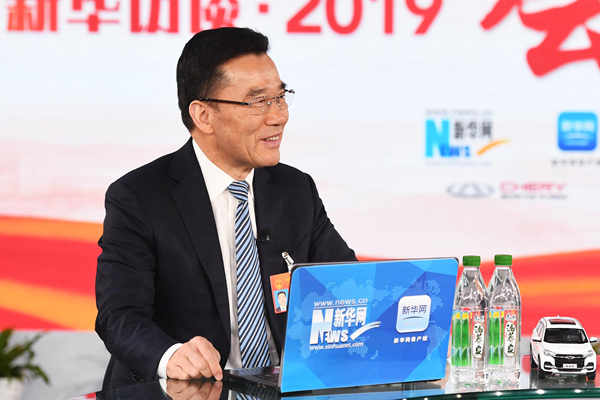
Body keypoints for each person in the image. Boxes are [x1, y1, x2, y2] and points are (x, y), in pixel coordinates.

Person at [95, 27, 356, 390]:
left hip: (277, 388)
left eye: (280, 97)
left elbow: (346, 285)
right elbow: (119, 314)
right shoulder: (140, 196)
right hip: (186, 392)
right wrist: (170, 355)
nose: (278, 116)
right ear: (203, 115)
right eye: (258, 101)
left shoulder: (295, 189)